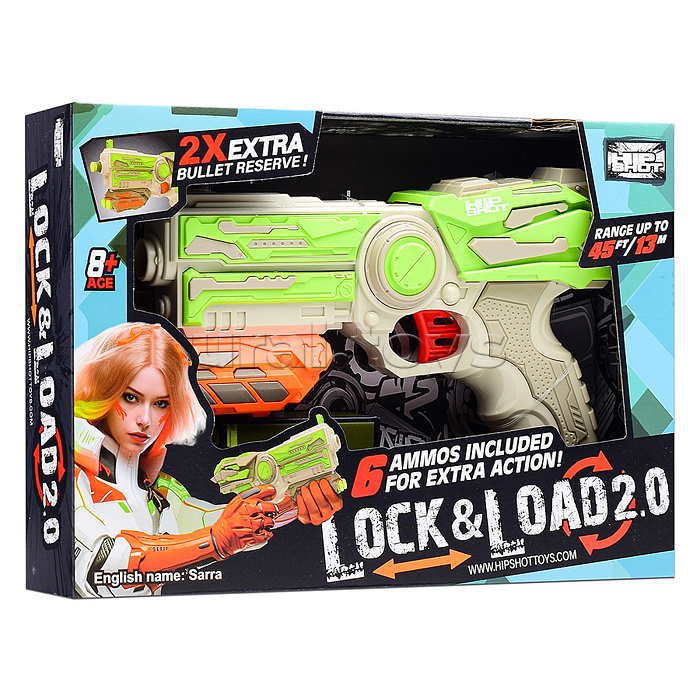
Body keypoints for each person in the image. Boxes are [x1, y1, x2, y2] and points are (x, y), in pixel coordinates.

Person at [73, 322, 342, 597]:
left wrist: (293, 502)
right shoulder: (71, 480)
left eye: (160, 403)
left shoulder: (160, 494)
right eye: (131, 398)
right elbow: (108, 566)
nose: (145, 419)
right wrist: (215, 541)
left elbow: (222, 523)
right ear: (101, 393)